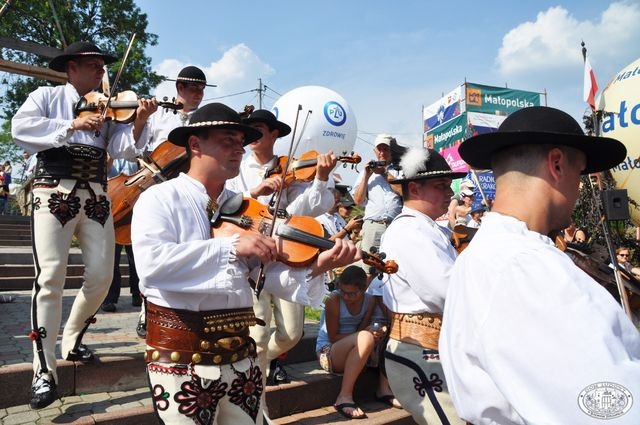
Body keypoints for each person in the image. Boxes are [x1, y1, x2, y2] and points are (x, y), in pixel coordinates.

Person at [131, 103, 359, 425]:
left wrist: (319, 264)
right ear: (195, 144)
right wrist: (231, 247)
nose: (239, 149)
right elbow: (153, 264)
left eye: (241, 142)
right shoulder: (160, 198)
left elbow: (259, 275)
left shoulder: (240, 207)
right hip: (182, 359)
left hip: (241, 358)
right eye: (228, 140)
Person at [440, 106, 640, 424]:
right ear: (557, 164)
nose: (578, 190)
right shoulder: (525, 266)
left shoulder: (484, 254)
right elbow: (610, 408)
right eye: (580, 172)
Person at [11, 41, 154, 410]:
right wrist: (73, 123)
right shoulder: (45, 95)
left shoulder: (108, 107)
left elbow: (124, 150)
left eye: (103, 68)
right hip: (53, 191)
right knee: (51, 276)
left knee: (103, 276)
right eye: (93, 66)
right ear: (71, 67)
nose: (101, 73)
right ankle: (44, 370)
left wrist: (138, 121)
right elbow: (20, 128)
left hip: (96, 195)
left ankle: (72, 338)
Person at [226, 109, 336, 392]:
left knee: (292, 334)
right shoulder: (237, 167)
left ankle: (257, 363)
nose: (251, 134)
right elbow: (226, 206)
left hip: (289, 253)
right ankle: (255, 392)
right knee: (258, 333)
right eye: (247, 129)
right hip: (251, 257)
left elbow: (310, 209)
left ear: (274, 134)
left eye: (259, 128)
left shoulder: (293, 168)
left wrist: (320, 178)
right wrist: (256, 191)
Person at [377, 146, 467, 425]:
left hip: (428, 348)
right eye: (441, 186)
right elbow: (446, 291)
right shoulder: (410, 230)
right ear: (414, 188)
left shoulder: (424, 227)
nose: (450, 193)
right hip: (418, 350)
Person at [133, 65, 207, 338]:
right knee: (154, 250)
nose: (198, 93)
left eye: (201, 89)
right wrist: (141, 118)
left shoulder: (204, 120)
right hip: (157, 187)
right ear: (179, 89)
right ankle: (146, 309)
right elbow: (138, 147)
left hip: (190, 190)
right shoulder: (160, 113)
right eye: (192, 88)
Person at [315, 265, 399, 419]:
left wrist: (373, 331)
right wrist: (365, 334)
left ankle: (383, 389)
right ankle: (344, 397)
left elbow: (362, 328)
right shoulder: (334, 300)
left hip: (354, 345)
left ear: (363, 289)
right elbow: (333, 337)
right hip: (329, 351)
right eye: (344, 292)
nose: (347, 297)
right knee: (366, 337)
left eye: (352, 294)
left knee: (386, 335)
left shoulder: (369, 300)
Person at [352, 134, 402, 273]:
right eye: (379, 149)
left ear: (392, 151)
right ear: (375, 151)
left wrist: (385, 173)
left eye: (385, 149)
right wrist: (367, 175)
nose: (382, 153)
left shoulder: (399, 170)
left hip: (395, 225)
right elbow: (358, 200)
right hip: (374, 225)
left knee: (395, 266)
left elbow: (404, 193)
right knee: (369, 269)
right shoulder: (367, 173)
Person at [101, 158, 142, 312]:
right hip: (113, 208)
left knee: (136, 259)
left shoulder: (135, 152)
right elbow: (104, 173)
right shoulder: (108, 149)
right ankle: (110, 298)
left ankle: (137, 294)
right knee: (112, 260)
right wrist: (109, 158)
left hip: (134, 209)